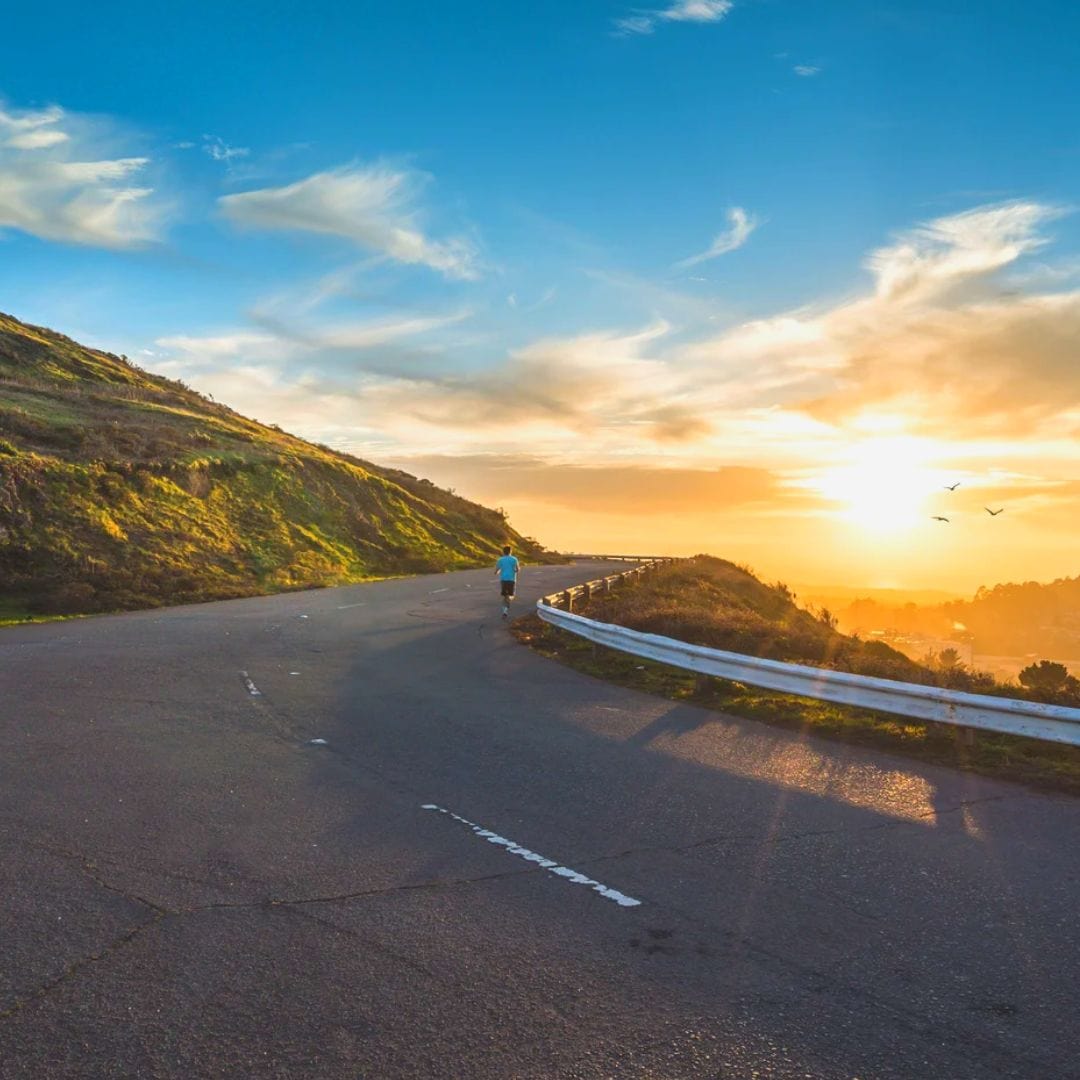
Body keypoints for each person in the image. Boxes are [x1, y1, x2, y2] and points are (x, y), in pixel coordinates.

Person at [495, 544, 520, 619]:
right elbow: (517, 569)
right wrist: (515, 570)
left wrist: (497, 572)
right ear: (510, 551)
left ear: (503, 552)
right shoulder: (514, 559)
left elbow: (497, 570)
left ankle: (504, 611)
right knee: (511, 596)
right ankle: (506, 609)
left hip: (503, 580)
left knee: (505, 596)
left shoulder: (500, 559)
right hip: (512, 580)